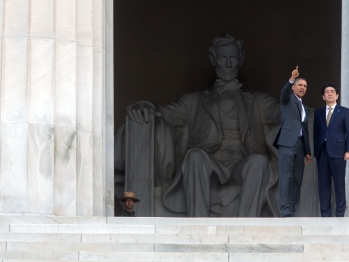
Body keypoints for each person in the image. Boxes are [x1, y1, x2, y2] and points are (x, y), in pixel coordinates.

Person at [119, 34, 281, 217]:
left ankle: (247, 224)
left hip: (242, 164)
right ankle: (198, 222)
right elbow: (166, 113)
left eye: (233, 58)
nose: (228, 63)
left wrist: (297, 109)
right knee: (195, 156)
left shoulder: (259, 102)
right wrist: (147, 107)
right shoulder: (193, 102)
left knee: (259, 161)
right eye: (223, 58)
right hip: (209, 165)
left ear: (240, 59)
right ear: (214, 60)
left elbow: (279, 112)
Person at [273, 66, 312, 217]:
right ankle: (285, 211)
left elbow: (305, 129)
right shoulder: (287, 100)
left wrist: (307, 151)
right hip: (287, 143)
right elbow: (283, 93)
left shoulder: (304, 107)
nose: (302, 88)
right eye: (300, 85)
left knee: (297, 178)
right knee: (286, 176)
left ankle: (293, 209)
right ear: (294, 87)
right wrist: (290, 79)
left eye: (305, 86)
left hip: (300, 145)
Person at [313, 83, 349, 217]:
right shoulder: (318, 113)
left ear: (337, 95)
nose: (329, 93)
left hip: (339, 152)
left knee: (339, 184)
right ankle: (325, 214)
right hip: (322, 152)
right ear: (323, 96)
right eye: (327, 92)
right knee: (323, 185)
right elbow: (316, 133)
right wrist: (316, 152)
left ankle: (340, 214)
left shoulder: (345, 111)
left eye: (332, 91)